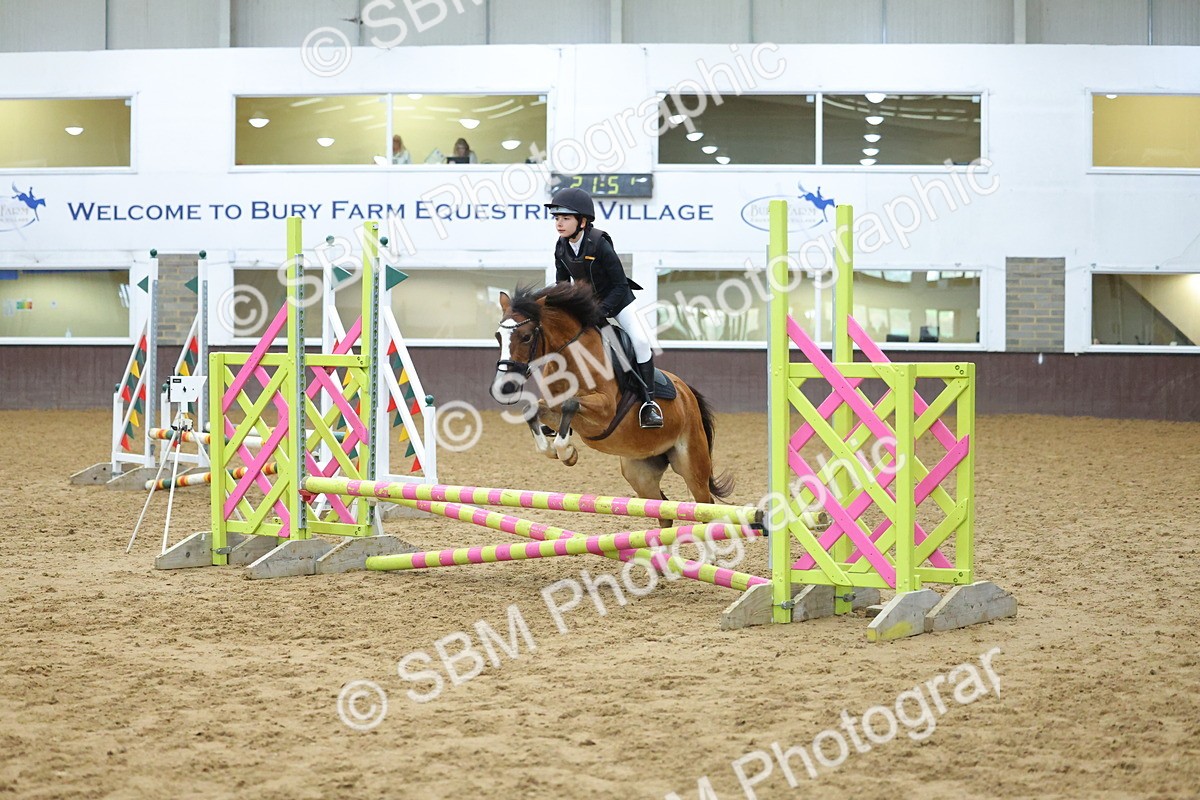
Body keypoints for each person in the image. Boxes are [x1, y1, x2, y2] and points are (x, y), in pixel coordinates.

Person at [544, 187, 663, 428]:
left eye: (565, 218)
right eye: (557, 218)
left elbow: (619, 285)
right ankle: (559, 403)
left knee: (640, 341)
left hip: (618, 303)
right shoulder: (561, 246)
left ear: (582, 221)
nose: (559, 224)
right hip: (587, 306)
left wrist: (602, 311)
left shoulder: (599, 243)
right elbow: (561, 284)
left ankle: (649, 403)